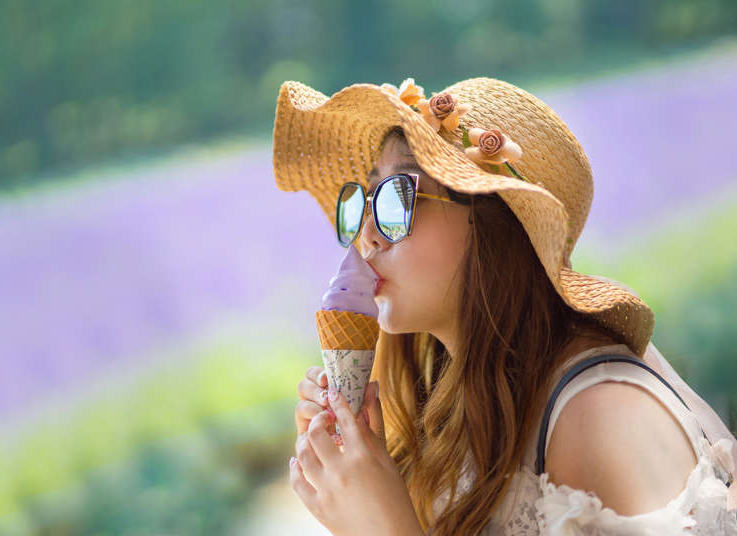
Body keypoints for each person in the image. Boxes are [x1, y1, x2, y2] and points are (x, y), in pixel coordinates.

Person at [273, 76, 737, 534]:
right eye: (366, 202)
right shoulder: (458, 407)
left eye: (398, 197)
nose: (366, 235)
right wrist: (364, 483)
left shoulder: (599, 412)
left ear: (496, 221)